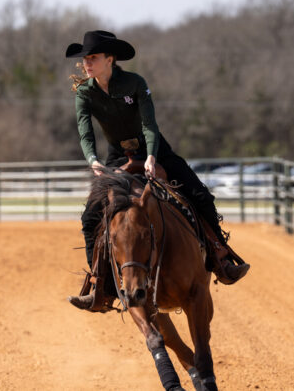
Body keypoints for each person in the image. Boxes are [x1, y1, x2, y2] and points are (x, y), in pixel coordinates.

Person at [66, 30, 249, 310]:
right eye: (85, 59)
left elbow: (149, 124)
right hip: (117, 156)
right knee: (90, 216)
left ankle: (219, 257)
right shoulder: (85, 93)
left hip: (155, 149)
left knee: (200, 195)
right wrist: (92, 159)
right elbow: (85, 132)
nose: (86, 64)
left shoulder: (135, 83)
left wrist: (151, 156)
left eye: (93, 58)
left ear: (110, 59)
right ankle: (99, 286)